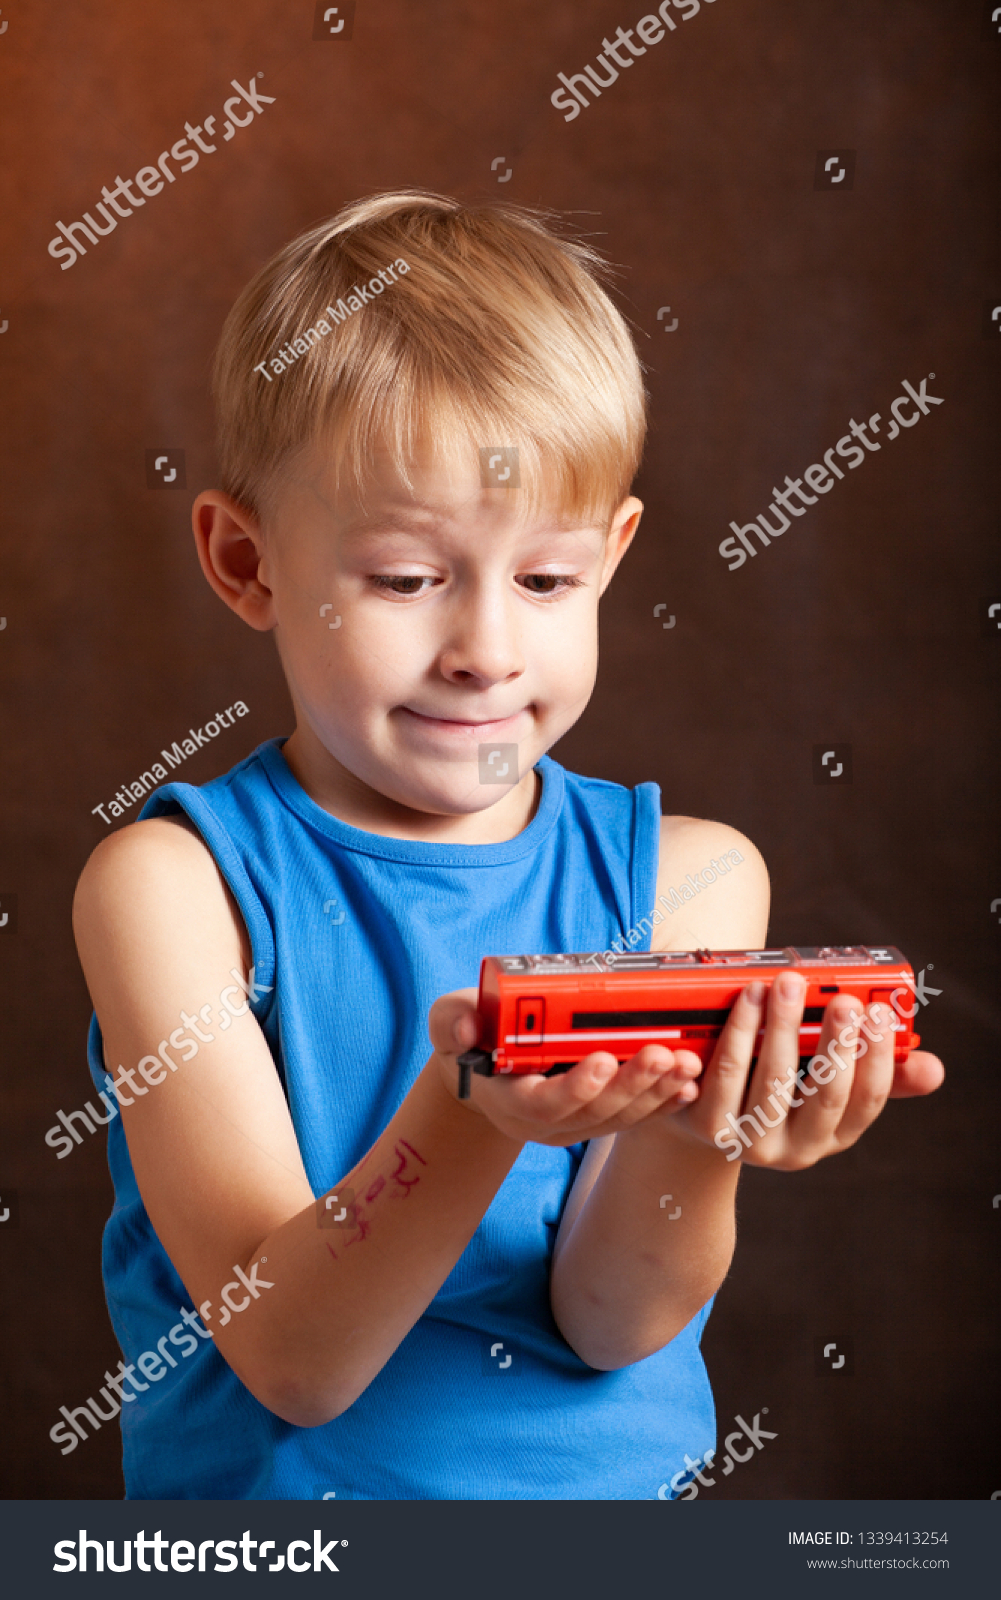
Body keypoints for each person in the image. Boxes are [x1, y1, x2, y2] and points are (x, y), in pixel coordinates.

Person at [72, 190, 945, 1501]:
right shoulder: (173, 888)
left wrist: (702, 1132)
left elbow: (612, 1319)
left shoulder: (688, 878)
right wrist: (474, 1110)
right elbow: (296, 1359)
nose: (485, 647)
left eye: (544, 580)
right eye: (408, 578)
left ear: (611, 557)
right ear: (246, 562)